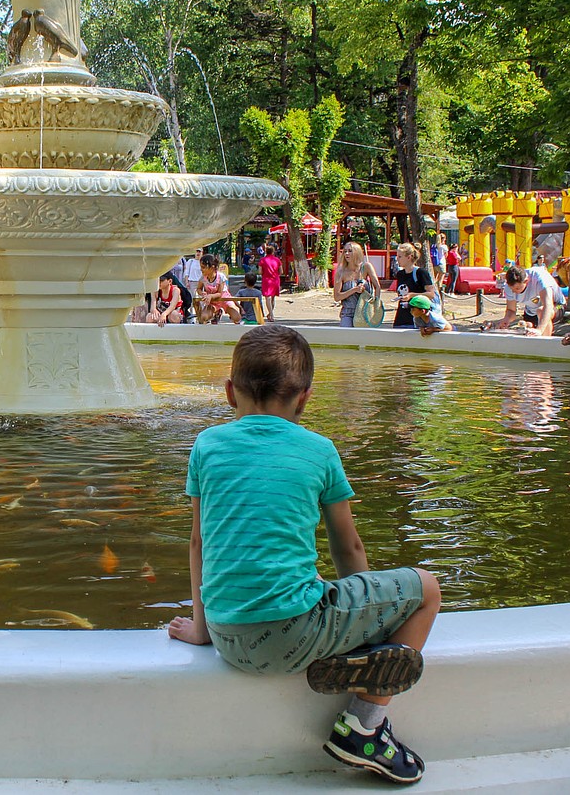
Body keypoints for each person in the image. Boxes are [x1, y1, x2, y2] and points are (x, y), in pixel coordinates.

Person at [168, 325, 441, 785]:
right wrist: (374, 622)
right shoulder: (319, 450)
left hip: (228, 637)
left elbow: (199, 543)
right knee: (427, 589)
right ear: (305, 398)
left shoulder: (206, 446)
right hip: (296, 633)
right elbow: (348, 546)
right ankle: (364, 725)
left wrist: (201, 630)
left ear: (230, 393)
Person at [483, 264, 564, 337]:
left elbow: (548, 306)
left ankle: (546, 343)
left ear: (526, 281)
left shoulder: (540, 280)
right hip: (531, 310)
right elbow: (511, 311)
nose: (514, 292)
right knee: (526, 326)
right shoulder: (509, 287)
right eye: (512, 289)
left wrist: (540, 330)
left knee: (541, 311)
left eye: (517, 288)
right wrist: (506, 320)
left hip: (557, 305)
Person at [334, 242, 380, 328]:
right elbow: (337, 297)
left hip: (365, 311)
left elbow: (377, 286)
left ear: (357, 252)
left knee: (364, 339)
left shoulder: (366, 267)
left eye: (350, 251)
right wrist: (354, 290)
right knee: (346, 337)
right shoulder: (341, 272)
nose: (347, 254)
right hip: (348, 312)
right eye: (345, 251)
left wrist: (376, 304)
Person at [390, 243, 436, 329]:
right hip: (401, 317)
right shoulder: (400, 274)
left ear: (409, 257)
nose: (397, 259)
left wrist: (412, 295)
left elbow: (431, 294)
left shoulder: (420, 273)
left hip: (417, 318)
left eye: (400, 257)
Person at [195, 254, 243, 325]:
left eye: (203, 267)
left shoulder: (220, 277)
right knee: (204, 317)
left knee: (236, 317)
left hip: (224, 299)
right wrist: (201, 293)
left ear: (212, 268)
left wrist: (211, 296)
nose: (201, 269)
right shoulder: (203, 278)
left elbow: (220, 293)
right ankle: (216, 313)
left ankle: (226, 312)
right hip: (212, 301)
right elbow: (198, 288)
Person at [258, 243, 282, 322]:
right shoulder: (277, 260)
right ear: (273, 252)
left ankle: (271, 315)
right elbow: (281, 271)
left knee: (267, 298)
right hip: (275, 280)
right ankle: (270, 313)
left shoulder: (262, 260)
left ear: (265, 251)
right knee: (273, 298)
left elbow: (260, 272)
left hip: (266, 280)